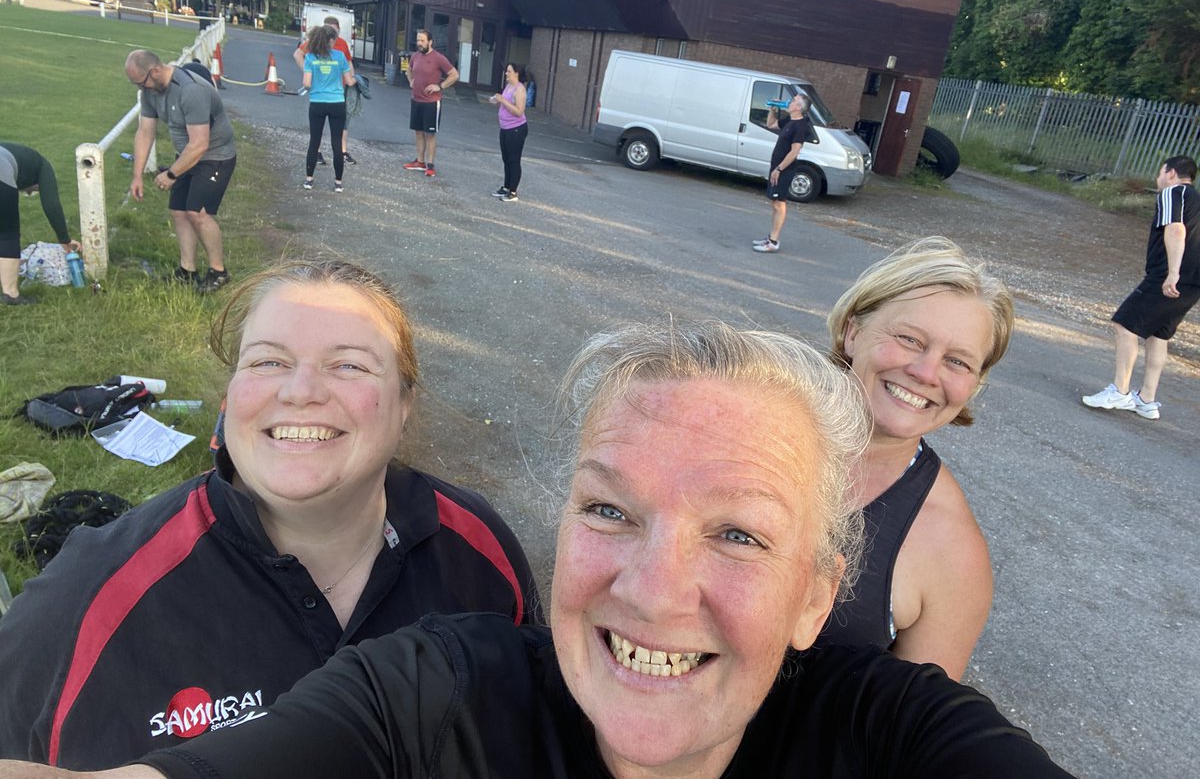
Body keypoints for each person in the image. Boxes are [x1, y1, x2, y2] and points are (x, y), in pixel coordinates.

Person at [0, 322, 1070, 778]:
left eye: (739, 533)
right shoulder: (441, 695)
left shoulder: (886, 733)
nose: (652, 592)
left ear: (815, 598)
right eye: (609, 512)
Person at [0, 258, 539, 770]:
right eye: (268, 361)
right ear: (230, 398)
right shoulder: (83, 601)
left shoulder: (480, 551)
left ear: (404, 404)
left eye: (348, 364)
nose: (300, 391)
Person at [818, 236, 1014, 681]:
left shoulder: (951, 553)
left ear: (974, 384)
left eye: (958, 362)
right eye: (909, 339)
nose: (926, 373)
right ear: (852, 330)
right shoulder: (743, 423)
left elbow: (905, 732)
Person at [1082, 155, 1200, 421]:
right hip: (1195, 281)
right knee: (1158, 336)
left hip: (1169, 276)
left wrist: (1172, 273)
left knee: (1125, 325)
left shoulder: (1173, 193)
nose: (1158, 179)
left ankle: (1120, 392)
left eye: (1160, 173)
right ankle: (1147, 400)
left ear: (1170, 173)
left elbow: (1176, 230)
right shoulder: (1197, 200)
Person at [125, 50, 236, 293]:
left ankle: (219, 272)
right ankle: (187, 271)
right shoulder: (149, 91)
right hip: (187, 154)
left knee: (197, 213)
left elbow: (200, 144)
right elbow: (145, 132)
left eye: (140, 82)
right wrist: (137, 175)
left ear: (154, 71)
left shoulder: (190, 90)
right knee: (178, 211)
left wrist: (171, 174)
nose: (140, 88)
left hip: (215, 155)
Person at [0, 142, 80, 305]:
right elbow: (52, 206)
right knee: (8, 233)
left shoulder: (16, 153)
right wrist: (64, 239)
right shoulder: (44, 166)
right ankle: (11, 294)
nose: (30, 192)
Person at [292, 16, 356, 165]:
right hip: (321, 91)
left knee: (341, 125)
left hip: (338, 90)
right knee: (317, 129)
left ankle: (343, 151)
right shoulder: (317, 42)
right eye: (327, 29)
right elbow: (298, 55)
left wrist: (351, 79)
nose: (330, 35)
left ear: (338, 30)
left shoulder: (342, 45)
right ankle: (318, 154)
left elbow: (349, 62)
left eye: (333, 30)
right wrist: (309, 73)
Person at [752, 94, 812, 253]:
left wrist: (779, 169)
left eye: (793, 101)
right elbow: (771, 124)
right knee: (774, 203)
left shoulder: (800, 126)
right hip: (776, 168)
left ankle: (773, 242)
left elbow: (795, 151)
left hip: (784, 170)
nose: (789, 102)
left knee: (779, 204)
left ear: (799, 107)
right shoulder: (789, 121)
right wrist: (772, 110)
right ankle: (771, 237)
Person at [402, 29, 458, 179]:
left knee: (430, 134)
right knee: (418, 132)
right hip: (416, 99)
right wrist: (411, 81)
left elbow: (454, 75)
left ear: (430, 42)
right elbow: (409, 69)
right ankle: (419, 161)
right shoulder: (415, 56)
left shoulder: (438, 58)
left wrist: (440, 86)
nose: (419, 43)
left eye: (422, 41)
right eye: (418, 40)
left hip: (432, 102)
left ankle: (430, 165)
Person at [488, 62, 529, 202]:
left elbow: (519, 111)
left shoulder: (520, 89)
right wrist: (496, 100)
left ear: (516, 73)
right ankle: (506, 187)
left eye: (509, 71)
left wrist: (503, 101)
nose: (506, 73)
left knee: (514, 160)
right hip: (505, 128)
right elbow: (505, 102)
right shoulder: (509, 86)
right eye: (506, 71)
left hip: (516, 129)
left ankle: (513, 192)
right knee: (506, 159)